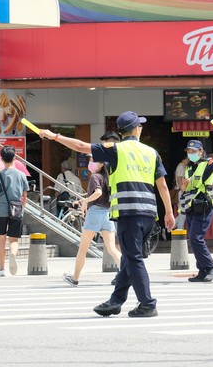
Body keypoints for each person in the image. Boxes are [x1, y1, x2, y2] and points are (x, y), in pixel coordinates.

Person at [40, 111, 175, 318]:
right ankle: (115, 301)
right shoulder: (151, 152)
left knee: (133, 258)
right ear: (136, 129)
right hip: (149, 214)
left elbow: (80, 147)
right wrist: (169, 212)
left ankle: (147, 303)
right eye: (140, 125)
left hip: (129, 213)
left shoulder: (116, 150)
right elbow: (163, 185)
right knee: (130, 258)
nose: (141, 127)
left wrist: (54, 136)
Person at [63, 156, 122, 286]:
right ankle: (127, 272)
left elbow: (98, 193)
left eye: (93, 161)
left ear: (101, 164)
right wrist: (83, 200)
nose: (90, 163)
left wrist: (85, 201)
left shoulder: (95, 177)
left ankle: (75, 278)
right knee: (112, 248)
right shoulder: (107, 177)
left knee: (83, 249)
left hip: (95, 213)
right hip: (107, 214)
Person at [179, 139, 213, 282]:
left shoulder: (207, 164)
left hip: (204, 207)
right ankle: (202, 270)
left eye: (194, 151)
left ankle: (211, 268)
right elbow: (184, 189)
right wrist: (183, 185)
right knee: (193, 239)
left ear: (201, 151)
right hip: (191, 207)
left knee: (196, 238)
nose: (191, 154)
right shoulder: (189, 168)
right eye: (189, 152)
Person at [0, 146, 29, 277]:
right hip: (16, 210)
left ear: (1, 159)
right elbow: (25, 197)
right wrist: (22, 209)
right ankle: (13, 254)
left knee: (1, 240)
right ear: (14, 158)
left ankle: (2, 269)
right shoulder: (22, 175)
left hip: (0, 211)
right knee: (14, 240)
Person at [173, 156, 188, 229]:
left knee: (183, 213)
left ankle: (170, 227)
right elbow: (179, 180)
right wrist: (183, 191)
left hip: (182, 191)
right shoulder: (181, 166)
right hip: (181, 192)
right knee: (183, 213)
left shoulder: (183, 166)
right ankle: (178, 229)